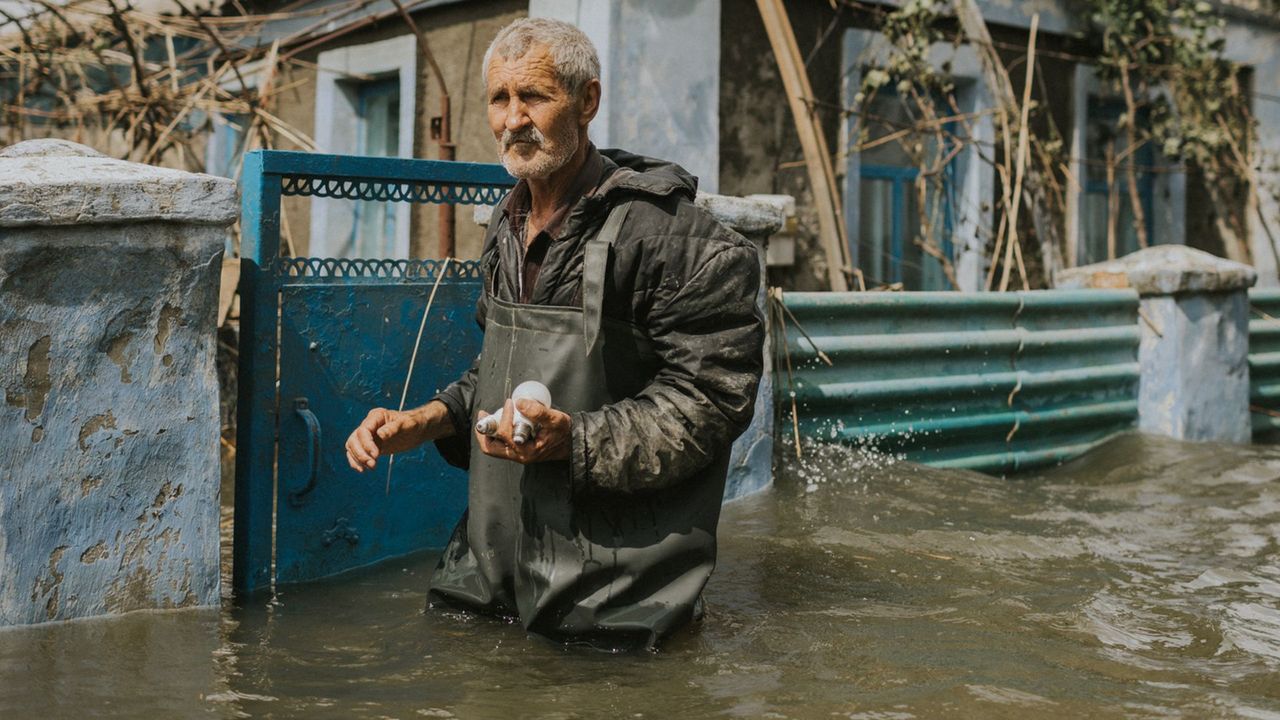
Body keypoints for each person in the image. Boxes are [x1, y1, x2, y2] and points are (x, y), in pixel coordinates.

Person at [343, 17, 763, 649]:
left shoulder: (673, 237)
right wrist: (429, 419)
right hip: (492, 577)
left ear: (587, 101)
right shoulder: (504, 225)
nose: (514, 118)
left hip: (618, 596)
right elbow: (497, 370)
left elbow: (709, 400)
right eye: (499, 98)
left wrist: (579, 440)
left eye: (534, 96)